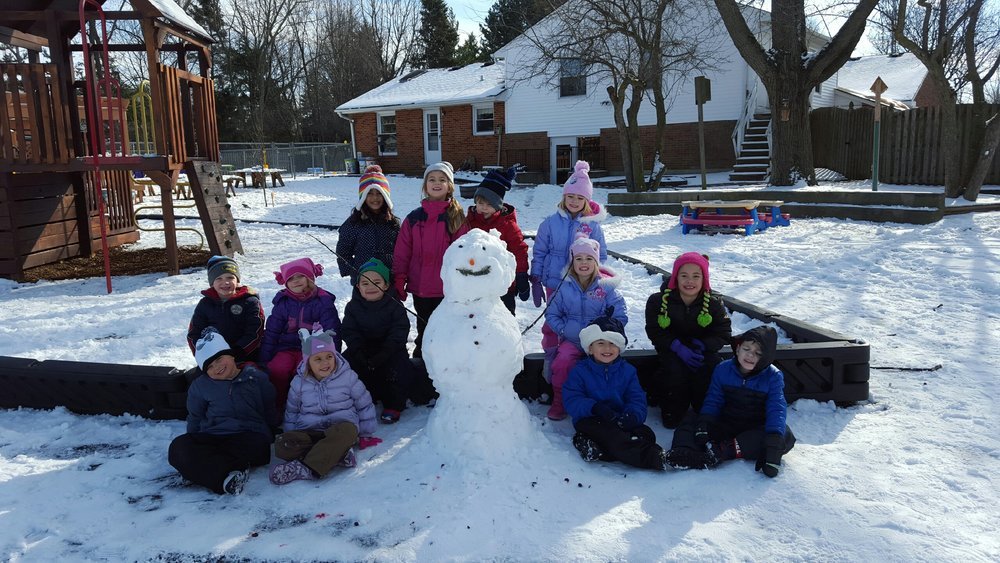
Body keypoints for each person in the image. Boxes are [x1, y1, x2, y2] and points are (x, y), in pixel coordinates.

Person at [665, 326, 796, 475]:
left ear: (765, 357)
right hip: (726, 422)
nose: (750, 355)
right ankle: (684, 452)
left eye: (758, 353)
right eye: (747, 349)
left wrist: (773, 446)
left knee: (784, 435)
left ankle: (723, 451)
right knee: (692, 419)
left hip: (753, 426)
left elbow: (776, 408)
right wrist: (705, 423)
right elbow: (714, 399)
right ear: (738, 348)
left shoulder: (773, 376)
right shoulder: (723, 369)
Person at [168, 328, 277, 495]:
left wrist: (272, 431)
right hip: (213, 436)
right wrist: (193, 441)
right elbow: (195, 416)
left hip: (248, 435)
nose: (217, 367)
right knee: (178, 447)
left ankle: (200, 470)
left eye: (219, 359)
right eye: (210, 366)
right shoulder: (201, 386)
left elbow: (269, 407)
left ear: (231, 355)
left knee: (260, 447)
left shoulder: (256, 378)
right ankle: (226, 476)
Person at [269, 328, 379, 485]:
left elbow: (364, 402)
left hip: (339, 429)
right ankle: (337, 454)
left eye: (329, 357)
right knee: (282, 444)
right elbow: (292, 410)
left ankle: (306, 468)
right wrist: (292, 434)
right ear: (308, 362)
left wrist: (366, 432)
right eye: (318, 359)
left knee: (348, 431)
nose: (325, 362)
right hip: (310, 431)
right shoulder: (299, 383)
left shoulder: (347, 377)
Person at [530, 160, 607, 380]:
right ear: (564, 196)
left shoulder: (592, 226)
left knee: (578, 318)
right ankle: (551, 355)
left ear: (586, 201)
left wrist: (597, 278)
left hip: (581, 284)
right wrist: (536, 278)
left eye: (579, 198)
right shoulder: (549, 224)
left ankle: (578, 357)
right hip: (554, 281)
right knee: (553, 321)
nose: (574, 201)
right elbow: (540, 252)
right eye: (570, 196)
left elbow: (601, 255)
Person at [563, 312, 670, 471]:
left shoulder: (628, 371)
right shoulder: (580, 371)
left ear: (619, 349)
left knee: (646, 434)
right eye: (600, 343)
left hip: (619, 417)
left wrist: (632, 415)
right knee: (613, 436)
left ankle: (597, 448)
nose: (607, 348)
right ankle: (654, 457)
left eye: (613, 343)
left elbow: (636, 398)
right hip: (592, 419)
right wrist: (594, 407)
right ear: (590, 348)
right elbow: (572, 399)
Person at [643, 252, 732, 428]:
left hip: (702, 352)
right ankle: (672, 409)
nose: (689, 281)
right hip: (672, 351)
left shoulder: (713, 303)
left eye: (695, 276)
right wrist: (676, 346)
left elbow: (723, 332)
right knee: (673, 371)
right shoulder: (658, 302)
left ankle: (705, 408)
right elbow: (654, 331)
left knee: (710, 368)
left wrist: (704, 345)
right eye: (684, 276)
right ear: (676, 277)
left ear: (704, 279)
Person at [544, 236, 627, 421]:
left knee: (605, 366)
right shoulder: (563, 287)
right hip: (573, 340)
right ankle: (560, 400)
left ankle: (604, 401)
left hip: (601, 341)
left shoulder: (607, 288)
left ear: (596, 261)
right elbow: (551, 313)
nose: (584, 263)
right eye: (579, 258)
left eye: (589, 259)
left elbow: (620, 316)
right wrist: (564, 330)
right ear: (572, 261)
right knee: (562, 362)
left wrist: (605, 332)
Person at [392, 161, 470, 358]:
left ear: (450, 186)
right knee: (425, 329)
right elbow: (402, 252)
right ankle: (421, 364)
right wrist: (399, 278)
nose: (437, 183)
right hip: (421, 288)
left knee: (447, 331)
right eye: (432, 179)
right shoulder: (413, 218)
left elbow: (463, 254)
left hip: (447, 289)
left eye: (442, 180)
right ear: (425, 185)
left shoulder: (456, 218)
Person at [261, 257, 342, 416]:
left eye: (300, 276)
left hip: (313, 349)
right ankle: (278, 404)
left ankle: (308, 405)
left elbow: (332, 329)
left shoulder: (323, 301)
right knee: (277, 369)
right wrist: (264, 358)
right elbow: (272, 331)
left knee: (306, 371)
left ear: (310, 277)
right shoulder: (283, 302)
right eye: (291, 278)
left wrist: (334, 355)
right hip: (285, 347)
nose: (296, 281)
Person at [341, 258, 415, 424]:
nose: (371, 286)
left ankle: (394, 404)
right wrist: (358, 350)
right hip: (363, 349)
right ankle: (349, 402)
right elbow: (349, 331)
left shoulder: (395, 305)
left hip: (390, 350)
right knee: (344, 366)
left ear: (386, 285)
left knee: (399, 368)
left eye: (376, 282)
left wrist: (386, 352)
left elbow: (399, 330)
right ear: (358, 286)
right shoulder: (353, 306)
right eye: (365, 283)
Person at [465, 166, 530, 314]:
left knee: (504, 318)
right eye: (480, 203)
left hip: (503, 285)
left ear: (498, 206)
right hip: (476, 284)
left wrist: (521, 275)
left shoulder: (507, 225)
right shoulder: (468, 223)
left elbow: (519, 250)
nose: (484, 208)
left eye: (489, 205)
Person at [187, 255, 265, 364]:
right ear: (212, 283)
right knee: (200, 380)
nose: (225, 282)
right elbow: (194, 333)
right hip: (213, 359)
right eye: (219, 278)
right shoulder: (205, 304)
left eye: (230, 277)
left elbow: (255, 332)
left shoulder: (250, 302)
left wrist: (238, 353)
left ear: (237, 280)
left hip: (244, 355)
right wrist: (203, 356)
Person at [336, 165, 400, 285]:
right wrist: (354, 270)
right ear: (363, 196)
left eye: (379, 193)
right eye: (369, 193)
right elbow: (343, 252)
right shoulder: (353, 224)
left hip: (388, 279)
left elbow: (402, 251)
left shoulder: (393, 223)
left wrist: (398, 270)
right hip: (362, 280)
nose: (375, 198)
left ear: (386, 196)